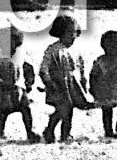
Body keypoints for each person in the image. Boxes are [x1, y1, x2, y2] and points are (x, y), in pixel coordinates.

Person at [38, 12, 88, 143]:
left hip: (71, 86)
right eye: (69, 33)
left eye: (75, 33)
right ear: (60, 33)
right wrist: (48, 81)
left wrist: (83, 81)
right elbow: (44, 68)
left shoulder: (75, 51)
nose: (73, 36)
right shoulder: (53, 50)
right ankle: (50, 129)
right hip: (58, 86)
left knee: (69, 111)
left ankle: (65, 134)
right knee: (62, 109)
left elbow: (79, 68)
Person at [0, 25, 38, 142]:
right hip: (3, 90)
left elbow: (28, 68)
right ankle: (0, 134)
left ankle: (30, 132)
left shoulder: (20, 57)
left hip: (18, 90)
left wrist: (29, 83)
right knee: (1, 113)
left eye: (12, 43)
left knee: (26, 110)